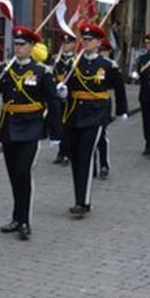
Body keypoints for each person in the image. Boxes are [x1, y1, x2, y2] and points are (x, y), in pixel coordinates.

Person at [0, 27, 62, 240]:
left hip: (31, 127)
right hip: (8, 126)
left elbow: (53, 103)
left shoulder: (42, 72)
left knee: (23, 172)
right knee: (14, 175)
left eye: (22, 44)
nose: (18, 48)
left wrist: (55, 133)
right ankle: (16, 217)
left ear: (32, 47)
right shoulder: (5, 68)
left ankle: (25, 220)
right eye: (16, 44)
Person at [56, 23, 128, 218]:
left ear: (98, 42)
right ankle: (79, 197)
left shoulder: (107, 66)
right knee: (75, 158)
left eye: (90, 40)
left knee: (85, 156)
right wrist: (62, 92)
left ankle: (83, 202)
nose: (86, 43)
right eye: (84, 40)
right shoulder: (74, 64)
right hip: (74, 114)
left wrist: (121, 111)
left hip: (96, 115)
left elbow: (119, 89)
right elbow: (66, 86)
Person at [52, 34, 77, 165]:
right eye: (64, 43)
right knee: (59, 125)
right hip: (58, 97)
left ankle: (68, 153)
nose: (65, 45)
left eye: (68, 43)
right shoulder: (56, 60)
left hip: (71, 98)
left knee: (69, 126)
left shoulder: (77, 61)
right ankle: (61, 152)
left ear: (73, 45)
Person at [94, 38, 115, 179]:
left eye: (104, 52)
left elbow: (115, 86)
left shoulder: (110, 66)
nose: (102, 54)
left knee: (101, 136)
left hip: (103, 104)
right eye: (100, 51)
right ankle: (92, 167)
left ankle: (104, 164)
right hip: (87, 106)